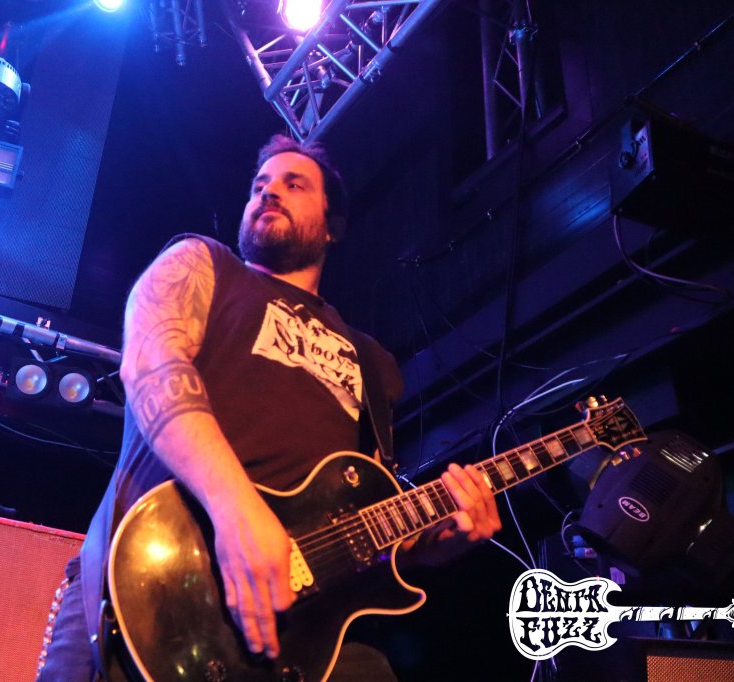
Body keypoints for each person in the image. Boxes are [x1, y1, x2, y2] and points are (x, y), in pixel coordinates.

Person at [37, 135, 501, 681]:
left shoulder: (373, 363)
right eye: (260, 185)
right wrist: (236, 509)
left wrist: (434, 544)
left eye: (293, 184)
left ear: (331, 226)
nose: (269, 192)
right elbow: (151, 367)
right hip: (155, 586)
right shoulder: (203, 264)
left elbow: (363, 522)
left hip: (306, 633)